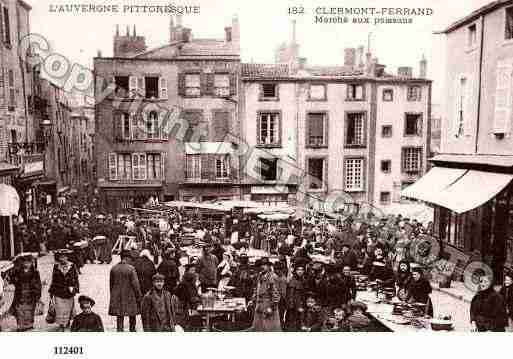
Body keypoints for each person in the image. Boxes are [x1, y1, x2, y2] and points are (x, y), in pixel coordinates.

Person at [109, 250, 142, 332]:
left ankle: (120, 331)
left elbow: (111, 285)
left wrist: (113, 296)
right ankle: (132, 331)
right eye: (130, 258)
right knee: (132, 316)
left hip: (118, 297)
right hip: (130, 297)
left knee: (119, 317)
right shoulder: (131, 269)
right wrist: (139, 297)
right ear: (127, 258)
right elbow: (136, 285)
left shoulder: (114, 268)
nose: (131, 260)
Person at [49, 249, 80, 331]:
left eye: (64, 257)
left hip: (69, 291)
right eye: (61, 257)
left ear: (67, 257)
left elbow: (76, 278)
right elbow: (54, 279)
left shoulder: (72, 266)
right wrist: (51, 291)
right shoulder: (56, 267)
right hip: (58, 291)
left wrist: (75, 288)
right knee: (59, 308)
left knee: (68, 308)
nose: (63, 259)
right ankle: (61, 324)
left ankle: (67, 322)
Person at [9, 255, 42, 331]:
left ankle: (28, 325)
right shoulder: (17, 271)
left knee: (29, 309)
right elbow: (12, 279)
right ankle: (20, 325)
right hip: (20, 293)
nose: (26, 264)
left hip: (31, 294)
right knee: (19, 309)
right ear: (22, 263)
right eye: (25, 262)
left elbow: (38, 283)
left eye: (29, 262)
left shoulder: (35, 272)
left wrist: (38, 294)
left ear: (31, 263)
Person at [251, 257, 281, 331]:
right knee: (258, 329)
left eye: (265, 265)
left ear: (269, 266)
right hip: (259, 306)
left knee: (269, 329)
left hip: (268, 306)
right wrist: (253, 299)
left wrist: (271, 307)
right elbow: (256, 289)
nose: (263, 267)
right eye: (261, 265)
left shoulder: (273, 277)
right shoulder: (260, 275)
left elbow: (276, 295)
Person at [285, 262, 307, 331]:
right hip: (293, 308)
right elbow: (290, 296)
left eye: (302, 270)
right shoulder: (293, 281)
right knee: (292, 326)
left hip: (301, 306)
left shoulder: (303, 280)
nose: (300, 271)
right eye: (298, 270)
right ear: (295, 271)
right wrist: (294, 307)